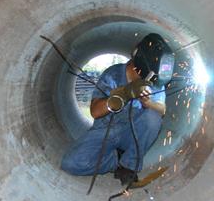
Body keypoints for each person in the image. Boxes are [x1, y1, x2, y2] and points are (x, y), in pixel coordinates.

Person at [61, 33, 174, 184]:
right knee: (71, 163)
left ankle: (129, 165)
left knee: (153, 117)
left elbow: (162, 109)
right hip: (106, 131)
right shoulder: (113, 74)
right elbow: (95, 112)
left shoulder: (154, 81)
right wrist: (124, 94)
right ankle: (116, 161)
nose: (151, 80)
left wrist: (147, 102)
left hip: (131, 134)